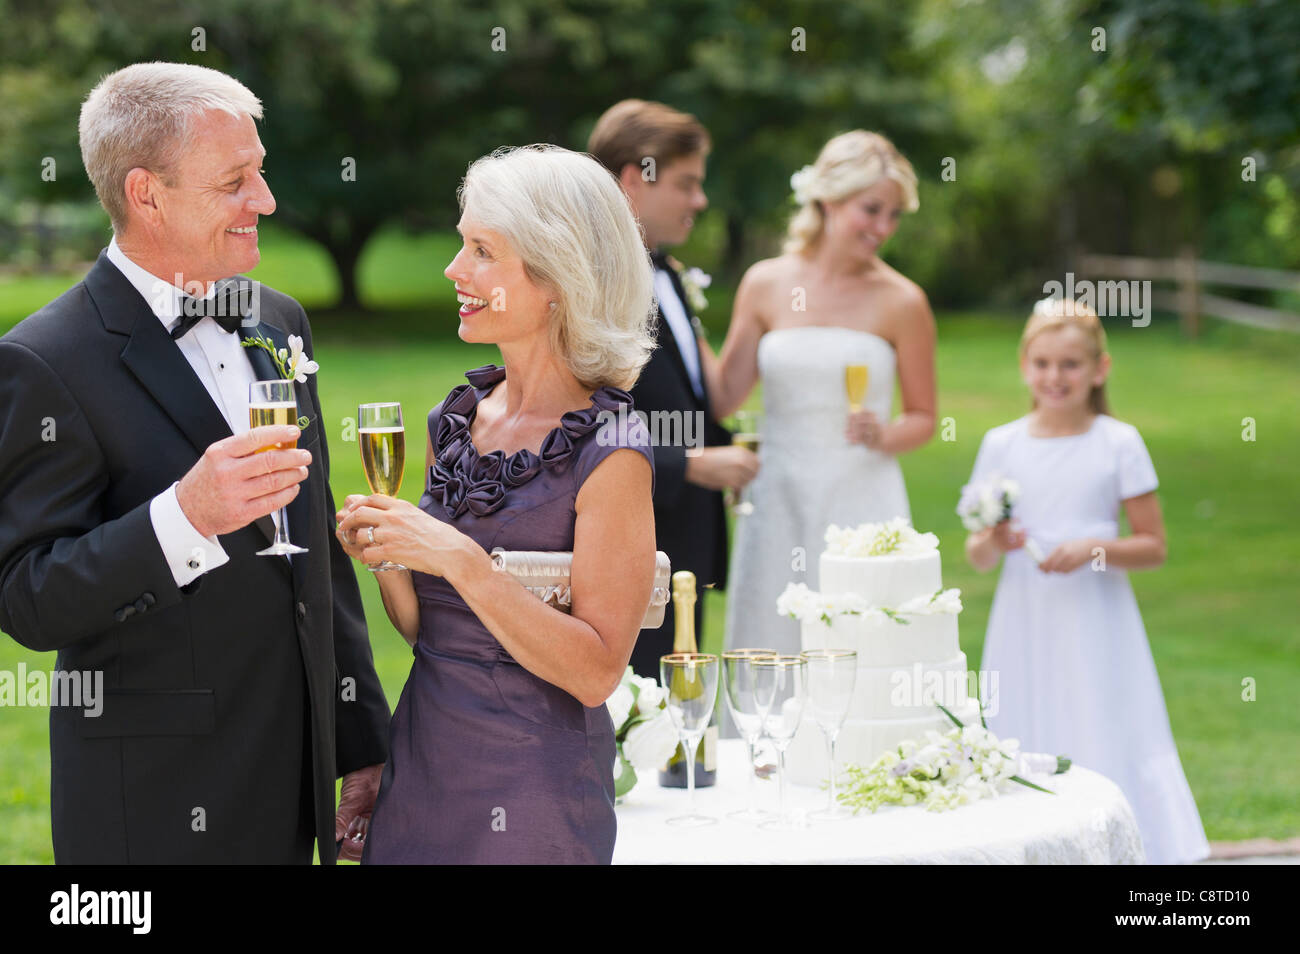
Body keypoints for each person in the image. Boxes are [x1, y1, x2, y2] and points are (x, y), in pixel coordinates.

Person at [0, 62, 390, 864]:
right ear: (147, 193)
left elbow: (311, 543)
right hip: (154, 801)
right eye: (235, 181)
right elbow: (29, 597)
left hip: (295, 776)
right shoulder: (44, 360)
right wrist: (185, 516)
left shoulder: (278, 320)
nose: (266, 201)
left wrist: (358, 736)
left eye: (262, 171)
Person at [335, 144, 657, 864]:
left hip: (534, 791)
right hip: (422, 772)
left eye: (482, 251)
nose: (454, 270)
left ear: (556, 280)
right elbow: (429, 634)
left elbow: (596, 670)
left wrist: (461, 560)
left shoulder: (613, 452)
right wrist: (390, 555)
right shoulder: (456, 419)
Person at [964, 298, 1209, 864]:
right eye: (1042, 363)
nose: (1055, 377)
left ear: (1099, 369)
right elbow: (978, 555)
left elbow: (1153, 546)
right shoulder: (1003, 444)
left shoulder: (1117, 443)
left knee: (1104, 718)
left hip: (1097, 614)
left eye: (1070, 365)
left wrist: (1095, 548)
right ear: (1024, 365)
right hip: (1025, 613)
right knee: (1025, 721)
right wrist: (993, 540)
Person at [707, 130, 936, 656]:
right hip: (778, 496)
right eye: (872, 209)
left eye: (894, 215)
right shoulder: (765, 283)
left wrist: (884, 434)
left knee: (861, 643)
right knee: (772, 642)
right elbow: (724, 397)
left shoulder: (903, 301)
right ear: (828, 200)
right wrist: (683, 320)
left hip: (861, 493)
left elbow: (924, 417)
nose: (883, 228)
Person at [587, 99, 758, 676]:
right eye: (687, 184)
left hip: (686, 543)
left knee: (681, 734)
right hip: (622, 549)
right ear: (637, 178)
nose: (700, 201)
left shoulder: (667, 273)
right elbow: (574, 421)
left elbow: (692, 396)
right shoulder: (586, 281)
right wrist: (692, 463)